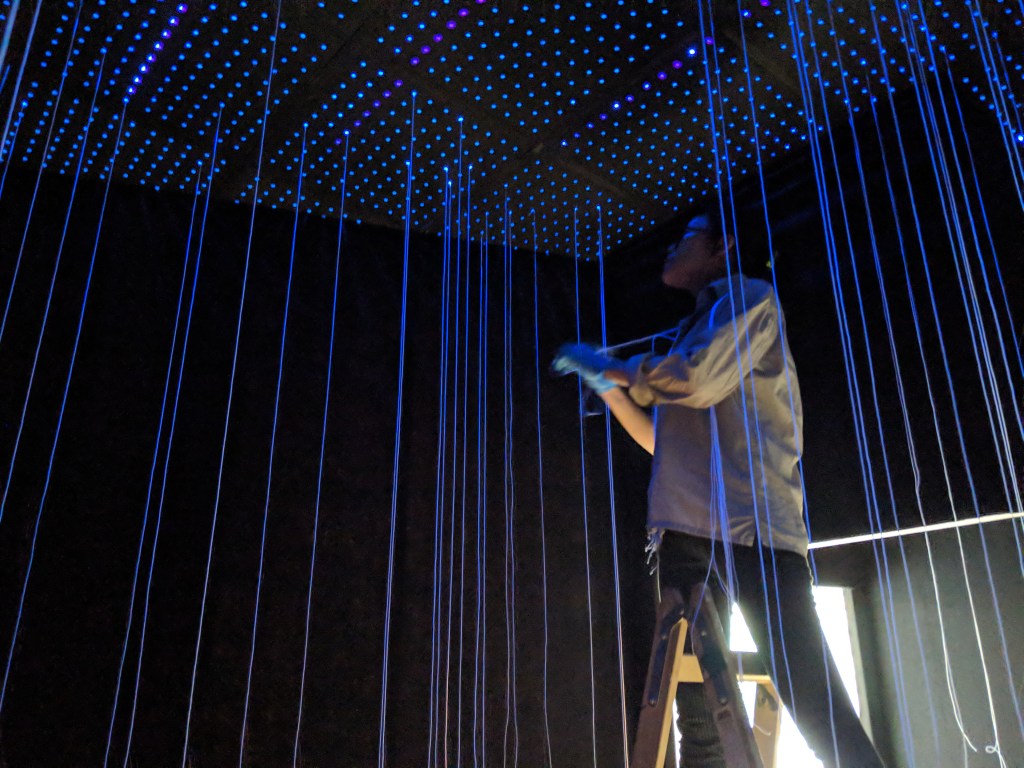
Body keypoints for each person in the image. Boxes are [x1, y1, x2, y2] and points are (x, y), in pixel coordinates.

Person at [552, 202, 887, 768]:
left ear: (725, 245)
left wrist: (613, 368)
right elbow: (662, 441)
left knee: (813, 700)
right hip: (687, 529)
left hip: (752, 529)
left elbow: (696, 379)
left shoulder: (751, 299)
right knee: (700, 720)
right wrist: (608, 387)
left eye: (687, 235)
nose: (671, 246)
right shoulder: (699, 328)